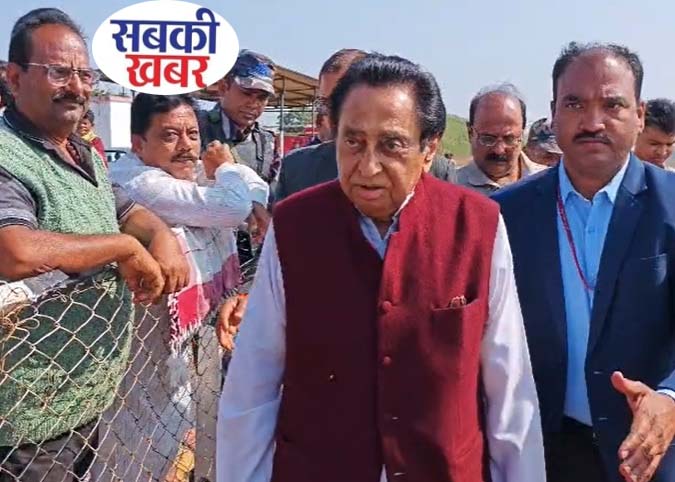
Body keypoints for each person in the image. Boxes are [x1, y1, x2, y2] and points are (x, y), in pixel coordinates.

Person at [217, 53, 545, 482]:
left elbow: (509, 385)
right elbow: (253, 384)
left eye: (391, 145)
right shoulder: (295, 227)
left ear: (429, 148)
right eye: (353, 142)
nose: (368, 167)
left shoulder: (476, 225)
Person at [0, 8, 188, 481]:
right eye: (58, 72)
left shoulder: (80, 151)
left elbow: (127, 210)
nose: (77, 88)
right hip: (25, 415)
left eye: (85, 75)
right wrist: (124, 249)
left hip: (83, 396)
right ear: (14, 78)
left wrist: (160, 235)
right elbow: (15, 250)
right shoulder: (7, 154)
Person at [494, 42, 675, 482]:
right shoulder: (504, 215)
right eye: (574, 104)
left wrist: (670, 397)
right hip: (544, 453)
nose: (593, 122)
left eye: (612, 105)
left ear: (639, 115)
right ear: (553, 114)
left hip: (652, 455)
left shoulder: (670, 204)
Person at [106, 93, 268, 482]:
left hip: (180, 341)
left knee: (181, 421)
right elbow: (232, 207)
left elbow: (257, 188)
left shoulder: (178, 172)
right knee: (136, 440)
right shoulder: (140, 181)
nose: (186, 147)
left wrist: (242, 189)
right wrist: (227, 168)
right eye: (170, 135)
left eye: (192, 134)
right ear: (138, 144)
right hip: (139, 344)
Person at [274, 49, 456, 203]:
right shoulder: (297, 168)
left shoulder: (437, 170)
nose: (333, 114)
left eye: (343, 101)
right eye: (325, 103)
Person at [197, 49, 278, 183]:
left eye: (262, 97)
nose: (253, 104)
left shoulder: (267, 143)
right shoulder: (193, 129)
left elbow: (273, 191)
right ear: (223, 88)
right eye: (247, 93)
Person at [458, 83, 546, 195]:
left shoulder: (550, 184)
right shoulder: (451, 188)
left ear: (522, 134)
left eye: (509, 139)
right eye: (488, 139)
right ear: (470, 133)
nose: (499, 150)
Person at [634, 98, 675, 171]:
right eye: (654, 144)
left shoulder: (671, 176)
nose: (662, 152)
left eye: (669, 144)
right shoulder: (615, 172)